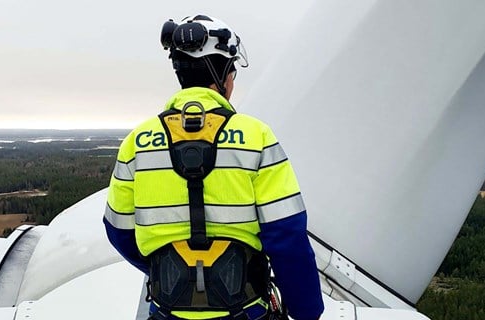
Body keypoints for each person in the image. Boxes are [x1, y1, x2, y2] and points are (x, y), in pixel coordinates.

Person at [103, 14, 324, 320]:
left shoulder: (136, 142)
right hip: (245, 312)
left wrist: (170, 273)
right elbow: (287, 235)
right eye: (231, 70)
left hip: (167, 311)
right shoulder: (257, 137)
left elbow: (119, 232)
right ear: (221, 74)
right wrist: (307, 311)